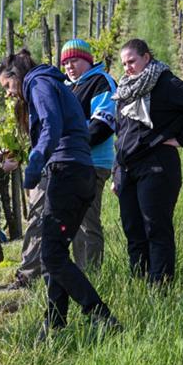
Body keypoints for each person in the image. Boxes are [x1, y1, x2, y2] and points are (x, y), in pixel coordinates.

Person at [0, 49, 120, 337]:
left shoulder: (37, 83)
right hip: (79, 173)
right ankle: (55, 323)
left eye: (7, 86)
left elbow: (51, 125)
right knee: (56, 252)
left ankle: (101, 315)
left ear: (16, 76)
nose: (8, 94)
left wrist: (36, 162)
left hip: (66, 173)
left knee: (51, 255)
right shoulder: (52, 83)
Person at [112, 39, 183, 284]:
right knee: (133, 231)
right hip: (127, 169)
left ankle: (160, 289)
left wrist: (181, 138)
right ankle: (139, 284)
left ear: (146, 57)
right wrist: (116, 172)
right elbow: (121, 133)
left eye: (132, 61)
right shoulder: (126, 89)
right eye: (124, 63)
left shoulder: (165, 83)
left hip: (156, 166)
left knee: (155, 229)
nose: (128, 68)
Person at [61, 39, 117, 271]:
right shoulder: (68, 86)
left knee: (87, 222)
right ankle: (80, 271)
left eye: (75, 60)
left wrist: (69, 145)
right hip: (72, 163)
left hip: (92, 163)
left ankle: (92, 274)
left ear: (87, 60)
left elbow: (101, 126)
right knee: (74, 222)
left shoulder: (100, 82)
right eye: (66, 63)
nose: (70, 67)